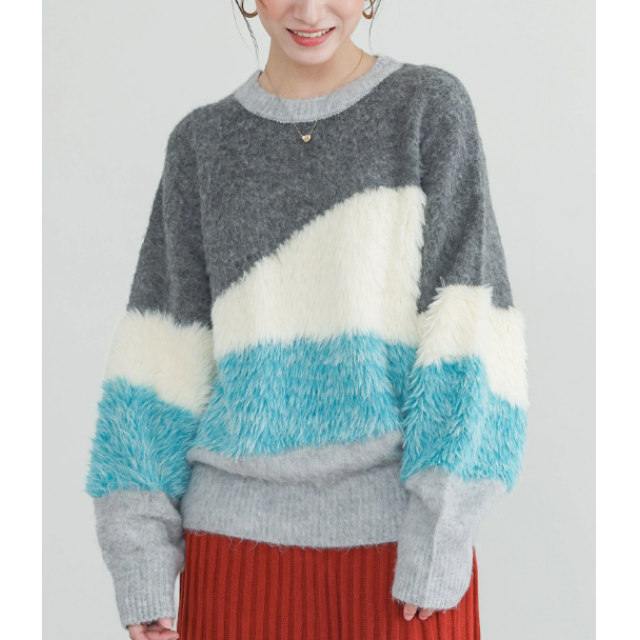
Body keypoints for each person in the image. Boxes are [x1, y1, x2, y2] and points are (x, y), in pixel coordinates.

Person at [84, 0, 530, 638]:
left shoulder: (428, 108)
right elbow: (158, 359)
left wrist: (441, 531)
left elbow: (473, 330)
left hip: (401, 560)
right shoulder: (202, 143)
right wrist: (142, 562)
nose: (310, 9)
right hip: (232, 565)